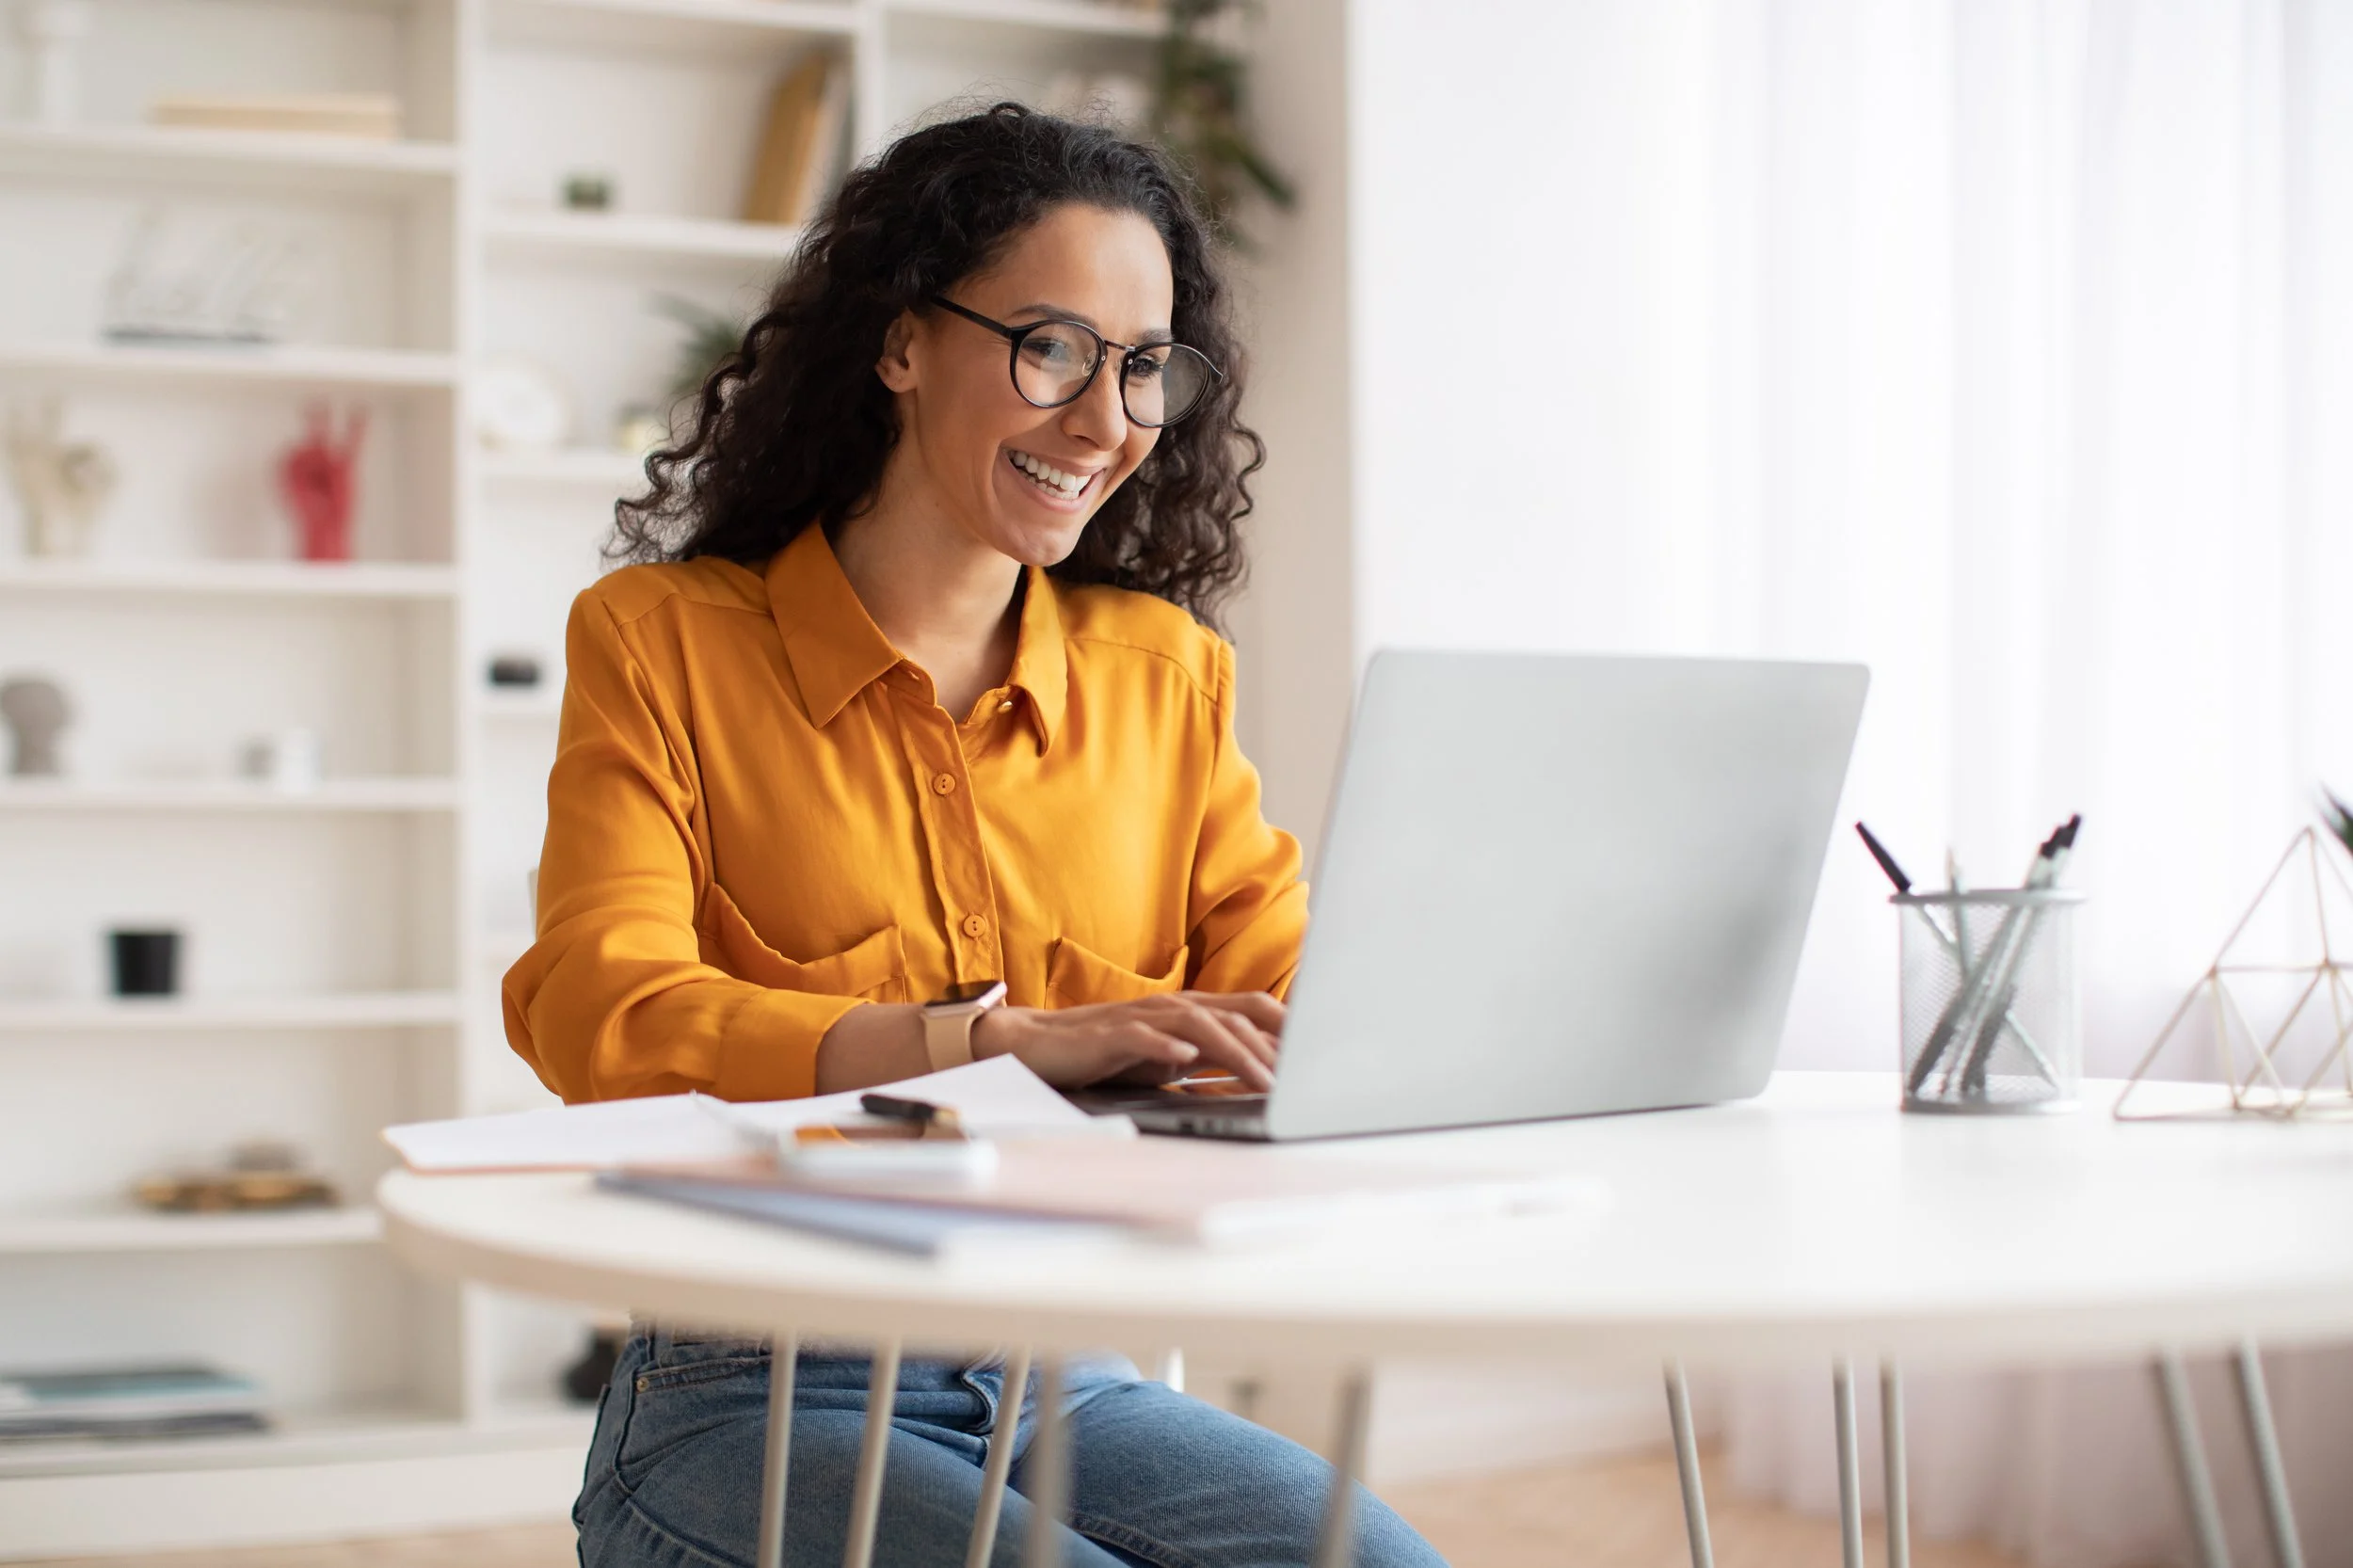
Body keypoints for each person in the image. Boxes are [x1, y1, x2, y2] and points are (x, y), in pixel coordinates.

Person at [504, 104, 1448, 1568]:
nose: (1105, 420)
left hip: (1064, 1373)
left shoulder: (1162, 675)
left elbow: (1293, 996)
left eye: (1143, 368)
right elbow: (599, 1013)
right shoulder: (663, 644)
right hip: (744, 1391)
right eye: (1054, 346)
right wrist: (978, 1046)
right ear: (901, 343)